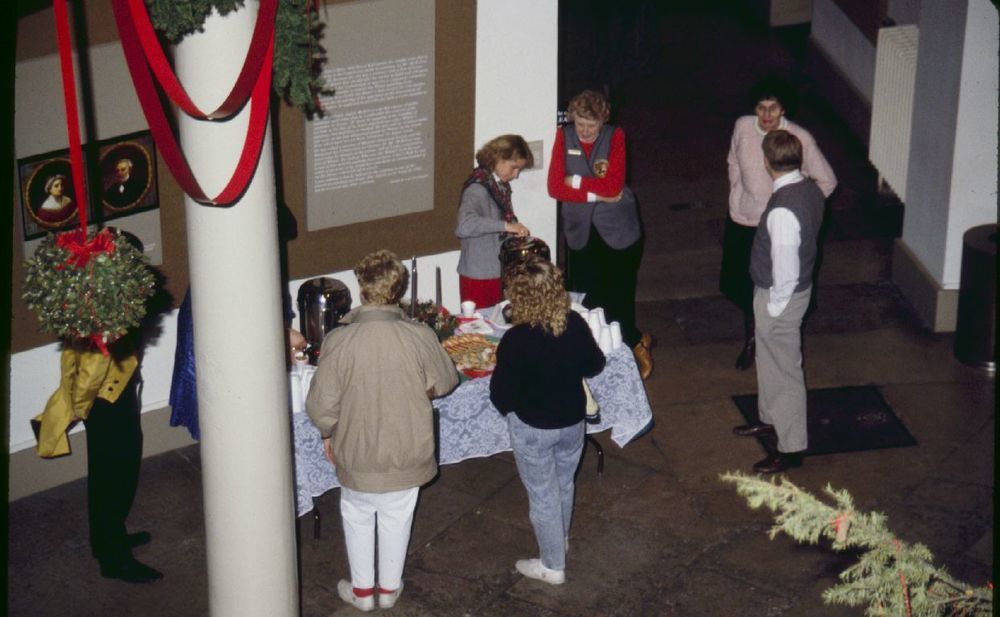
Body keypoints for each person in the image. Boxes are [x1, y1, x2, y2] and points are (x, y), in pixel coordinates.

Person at [306, 249, 459, 611]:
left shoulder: (339, 340)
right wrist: (423, 387)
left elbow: (320, 406)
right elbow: (446, 381)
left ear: (362, 290)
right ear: (397, 290)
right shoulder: (418, 334)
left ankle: (362, 592)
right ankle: (389, 589)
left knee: (357, 516)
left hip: (357, 451)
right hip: (407, 449)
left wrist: (327, 434)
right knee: (397, 517)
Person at [489, 258, 606, 585]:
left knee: (542, 495)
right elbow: (595, 364)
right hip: (572, 422)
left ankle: (552, 566)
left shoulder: (516, 339)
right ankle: (560, 539)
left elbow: (500, 394)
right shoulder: (573, 323)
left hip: (533, 427)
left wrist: (513, 409)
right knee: (564, 483)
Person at [722, 78, 836, 370]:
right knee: (740, 283)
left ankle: (763, 339)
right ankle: (752, 332)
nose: (767, 115)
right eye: (761, 108)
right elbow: (733, 161)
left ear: (783, 109)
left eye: (773, 108)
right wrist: (737, 190)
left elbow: (827, 181)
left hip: (779, 227)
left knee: (776, 284)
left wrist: (800, 208)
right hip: (744, 219)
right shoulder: (743, 127)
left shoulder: (799, 138)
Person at [732, 130, 825, 474]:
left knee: (785, 372)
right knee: (770, 361)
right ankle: (770, 419)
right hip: (792, 292)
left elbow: (786, 267)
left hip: (781, 296)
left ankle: (791, 447)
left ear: (766, 161)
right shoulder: (809, 189)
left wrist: (773, 307)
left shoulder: (783, 210)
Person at [546, 89, 652, 380]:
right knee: (587, 297)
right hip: (580, 231)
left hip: (619, 231)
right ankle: (592, 355)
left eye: (591, 126)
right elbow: (554, 187)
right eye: (580, 124)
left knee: (620, 293)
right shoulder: (563, 136)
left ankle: (633, 343)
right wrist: (596, 195)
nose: (584, 131)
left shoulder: (615, 136)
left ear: (603, 121)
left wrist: (575, 181)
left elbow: (614, 186)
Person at [455, 134, 534, 309]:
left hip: (497, 272)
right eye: (514, 168)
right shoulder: (477, 188)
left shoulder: (499, 186)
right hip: (478, 276)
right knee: (479, 326)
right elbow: (464, 225)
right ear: (499, 158)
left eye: (519, 170)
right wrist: (506, 226)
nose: (516, 175)